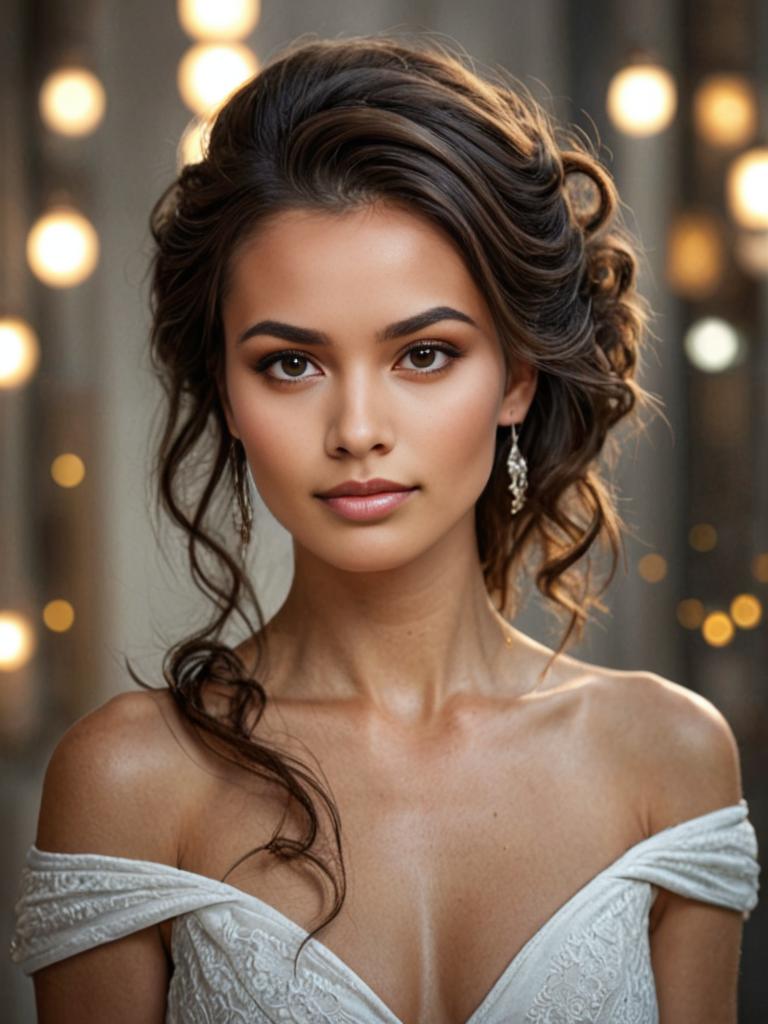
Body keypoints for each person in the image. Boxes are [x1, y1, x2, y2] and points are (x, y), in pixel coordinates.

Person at [9, 32, 760, 1024]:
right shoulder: (130, 780)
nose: (357, 430)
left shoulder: (666, 757)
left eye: (424, 354)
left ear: (518, 375)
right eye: (290, 363)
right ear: (226, 392)